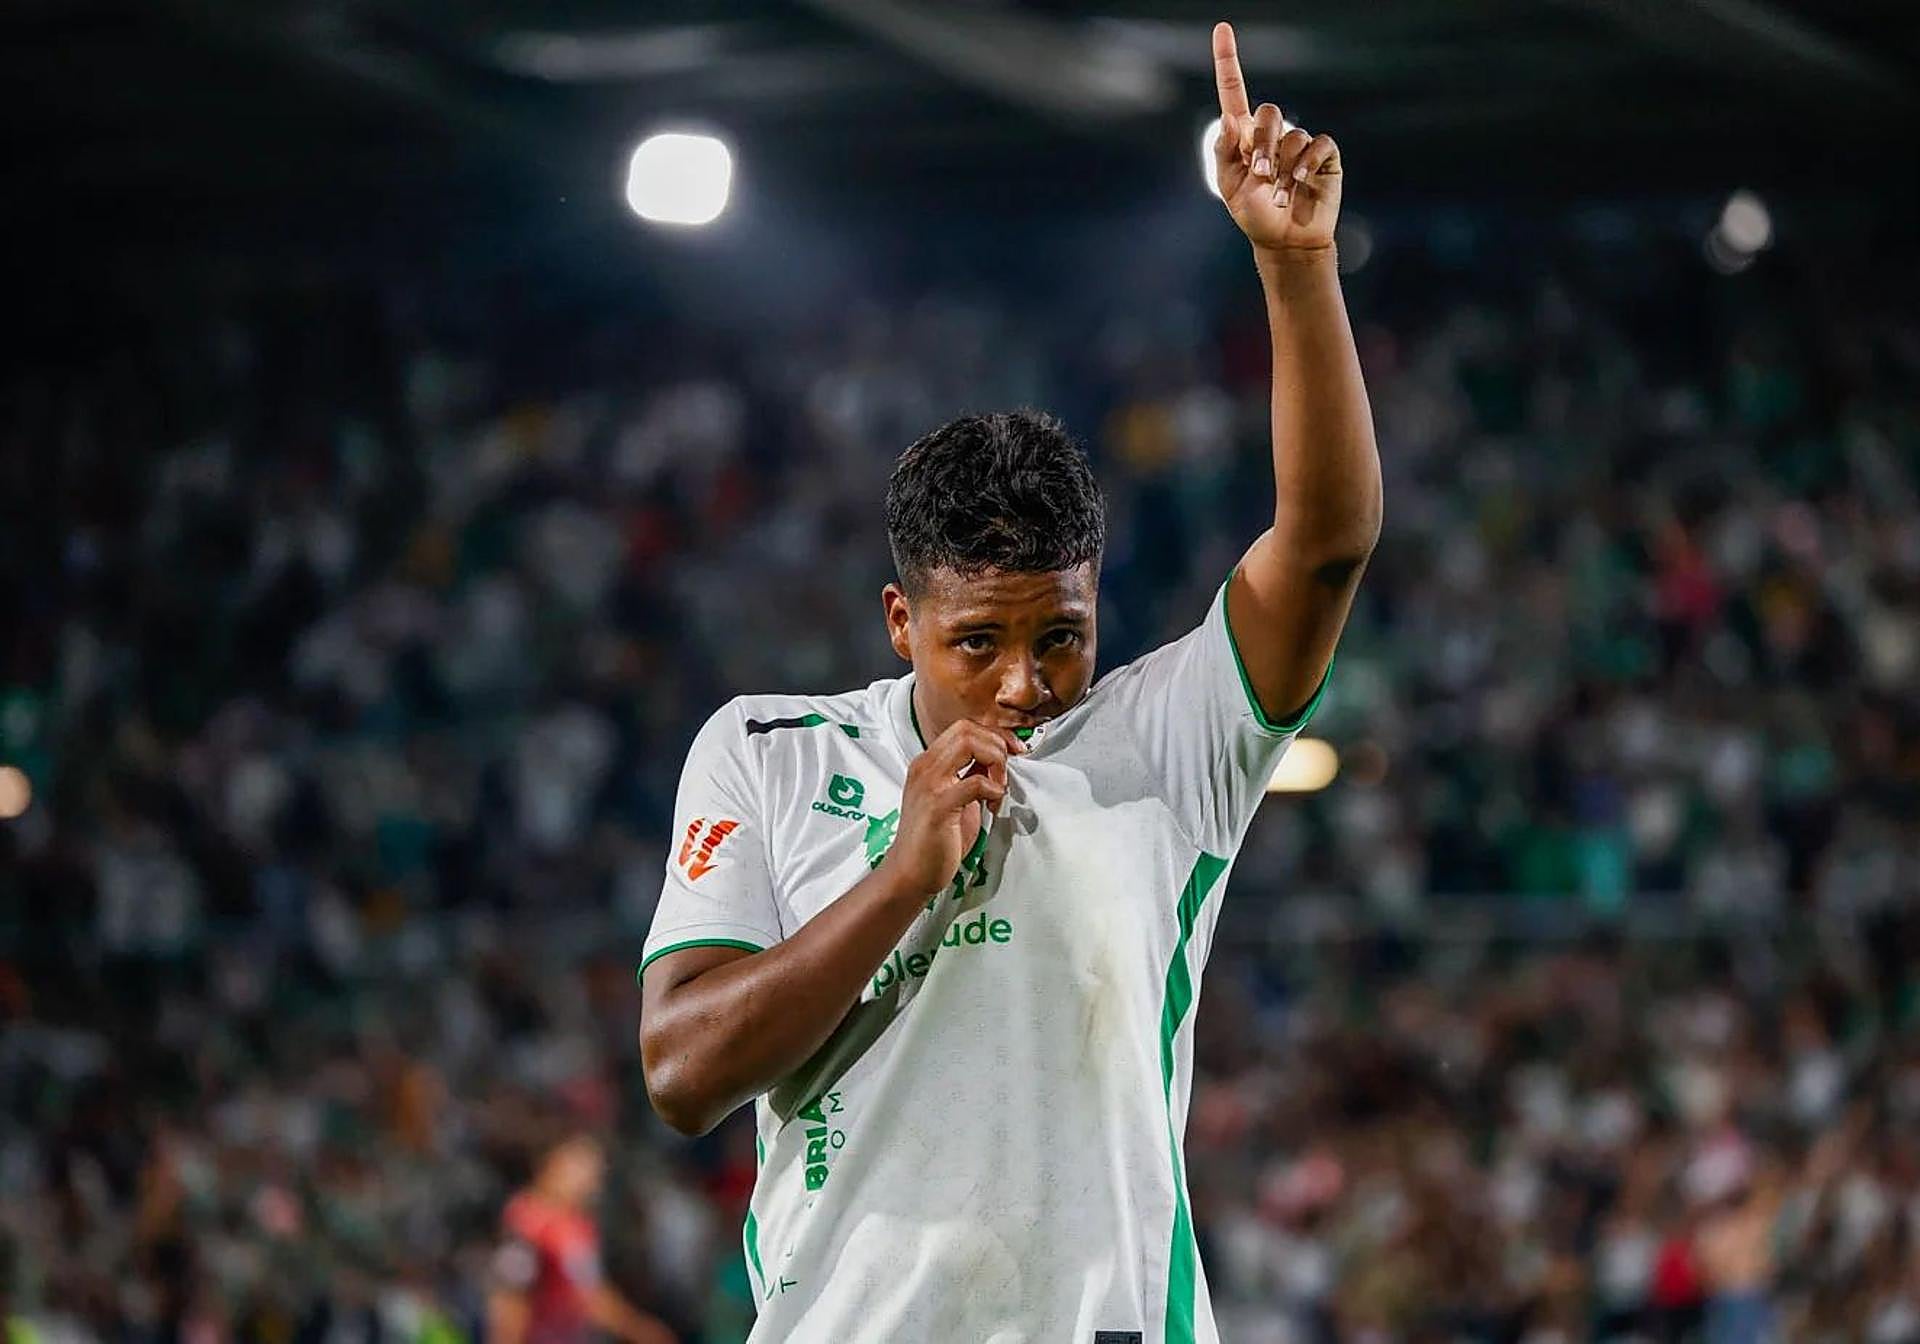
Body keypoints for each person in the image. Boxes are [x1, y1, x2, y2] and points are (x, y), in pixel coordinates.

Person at [636, 21, 1380, 1342]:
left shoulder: (1169, 739)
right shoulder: (769, 751)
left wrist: (1296, 266)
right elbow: (684, 1073)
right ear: (901, 622)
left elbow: (1324, 546)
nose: (1028, 684)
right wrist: (901, 878)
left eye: (1063, 637)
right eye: (978, 641)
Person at [488, 1134, 676, 1344]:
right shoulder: (528, 1221)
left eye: (595, 1171)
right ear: (551, 1163)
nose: (590, 1180)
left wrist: (638, 1328)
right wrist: (639, 1330)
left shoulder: (578, 1226)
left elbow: (591, 1292)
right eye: (580, 1166)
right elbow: (511, 1298)